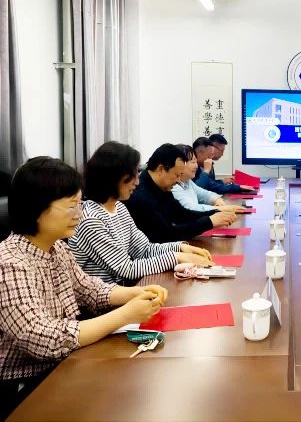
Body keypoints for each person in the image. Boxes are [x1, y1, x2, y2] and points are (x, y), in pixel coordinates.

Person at [0, 157, 167, 418]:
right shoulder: (9, 263)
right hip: (22, 388)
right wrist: (125, 315)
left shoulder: (57, 248)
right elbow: (42, 339)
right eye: (71, 206)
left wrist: (135, 293)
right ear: (36, 207)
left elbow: (90, 290)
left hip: (63, 366)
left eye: (80, 204)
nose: (79, 214)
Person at [68, 142, 214, 285]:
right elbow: (126, 269)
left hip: (125, 290)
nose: (137, 182)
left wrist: (181, 247)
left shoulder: (119, 208)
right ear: (114, 176)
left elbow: (144, 249)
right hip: (108, 298)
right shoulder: (91, 219)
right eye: (133, 176)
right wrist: (176, 257)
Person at [124, 144, 236, 243]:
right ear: (161, 169)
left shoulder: (162, 186)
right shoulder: (140, 195)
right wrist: (209, 222)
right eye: (176, 175)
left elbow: (181, 214)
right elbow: (165, 235)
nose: (178, 180)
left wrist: (215, 213)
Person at [172, 144, 246, 214]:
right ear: (179, 164)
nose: (196, 166)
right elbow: (191, 208)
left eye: (196, 162)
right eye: (193, 162)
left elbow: (204, 194)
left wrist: (217, 200)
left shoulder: (187, 181)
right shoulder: (173, 186)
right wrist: (220, 209)